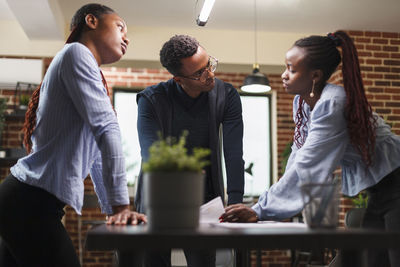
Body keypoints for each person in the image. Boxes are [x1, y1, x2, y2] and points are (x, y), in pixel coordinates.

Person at [220, 30, 400, 267]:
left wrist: (259, 210)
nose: (284, 75)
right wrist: (261, 207)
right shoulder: (304, 103)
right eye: (285, 67)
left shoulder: (331, 104)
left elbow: (309, 166)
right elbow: (299, 155)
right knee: (358, 259)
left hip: (395, 183)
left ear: (315, 75)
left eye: (291, 70)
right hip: (380, 191)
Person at [0, 4, 146, 267]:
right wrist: (121, 207)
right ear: (91, 21)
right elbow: (107, 128)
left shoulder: (83, 66)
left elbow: (97, 155)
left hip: (25, 202)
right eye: (120, 27)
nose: (127, 37)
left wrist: (113, 210)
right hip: (28, 203)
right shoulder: (77, 53)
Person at [135, 34, 245, 267]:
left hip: (206, 201)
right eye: (199, 73)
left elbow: (233, 153)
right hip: (159, 199)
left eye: (209, 64)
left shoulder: (226, 95)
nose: (210, 75)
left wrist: (235, 201)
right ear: (178, 79)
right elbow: (153, 156)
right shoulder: (151, 100)